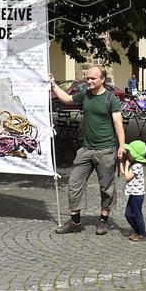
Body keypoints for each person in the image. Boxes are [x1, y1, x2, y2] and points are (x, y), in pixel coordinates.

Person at [51, 65, 126, 235]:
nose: (89, 81)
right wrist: (53, 84)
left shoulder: (110, 99)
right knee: (74, 182)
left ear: (102, 80)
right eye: (88, 78)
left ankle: (103, 221)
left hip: (106, 150)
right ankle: (75, 222)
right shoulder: (85, 95)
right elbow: (67, 99)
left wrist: (121, 146)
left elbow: (118, 124)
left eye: (93, 78)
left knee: (106, 187)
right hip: (86, 149)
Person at [121, 140, 146, 242]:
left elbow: (127, 178)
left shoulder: (137, 166)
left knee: (137, 214)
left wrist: (127, 165)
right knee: (128, 214)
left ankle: (142, 234)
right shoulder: (133, 164)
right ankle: (137, 231)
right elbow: (124, 173)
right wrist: (122, 162)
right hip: (133, 194)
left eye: (129, 152)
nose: (128, 154)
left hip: (137, 195)